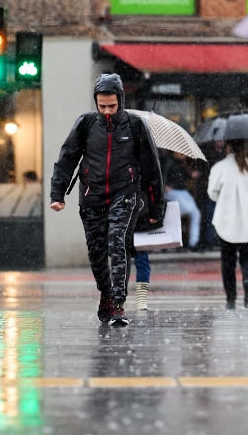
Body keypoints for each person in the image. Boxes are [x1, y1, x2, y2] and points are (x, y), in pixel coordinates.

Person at [49, 73, 165, 327]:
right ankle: (106, 293)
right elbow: (67, 158)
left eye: (112, 106)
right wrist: (57, 194)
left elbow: (151, 167)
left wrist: (157, 207)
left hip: (125, 195)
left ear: (120, 101)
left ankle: (118, 304)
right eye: (102, 106)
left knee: (118, 243)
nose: (107, 111)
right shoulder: (86, 123)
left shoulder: (135, 125)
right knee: (97, 252)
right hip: (92, 196)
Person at [207, 139, 248, 310]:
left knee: (228, 261)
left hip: (226, 221)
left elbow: (212, 193)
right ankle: (247, 281)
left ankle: (231, 297)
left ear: (227, 148)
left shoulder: (219, 168)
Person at [162, 151, 202, 249]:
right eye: (181, 153)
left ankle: (193, 242)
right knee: (183, 211)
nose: (183, 155)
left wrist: (191, 175)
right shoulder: (169, 162)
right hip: (172, 192)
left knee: (195, 213)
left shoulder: (182, 164)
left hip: (182, 191)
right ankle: (174, 240)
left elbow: (184, 179)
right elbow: (163, 176)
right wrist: (165, 186)